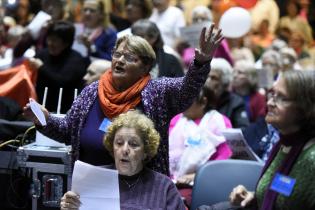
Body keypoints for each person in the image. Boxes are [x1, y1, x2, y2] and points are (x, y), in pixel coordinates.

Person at [23, 24, 223, 175]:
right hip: (90, 182)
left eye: (129, 57)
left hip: (141, 190)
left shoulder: (157, 91)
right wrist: (43, 119)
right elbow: (68, 130)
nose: (119, 60)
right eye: (117, 54)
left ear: (145, 67)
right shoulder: (92, 91)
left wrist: (201, 62)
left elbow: (187, 89)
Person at [198, 70, 315, 210]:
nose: (270, 102)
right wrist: (255, 196)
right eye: (272, 94)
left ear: (306, 106)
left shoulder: (311, 159)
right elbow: (285, 195)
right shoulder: (283, 144)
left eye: (282, 98)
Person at [60, 110, 186, 210]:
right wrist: (69, 207)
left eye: (134, 144)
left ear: (145, 151)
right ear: (112, 147)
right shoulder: (92, 178)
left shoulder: (164, 187)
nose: (125, 149)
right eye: (119, 143)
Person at [169, 85, 232, 206]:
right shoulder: (176, 120)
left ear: (203, 102)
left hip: (202, 182)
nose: (182, 103)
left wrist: (196, 176)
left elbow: (223, 158)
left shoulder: (219, 122)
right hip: (170, 178)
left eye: (188, 99)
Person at [28, 20, 89, 113]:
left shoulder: (76, 60)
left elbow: (62, 82)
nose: (50, 43)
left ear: (66, 43)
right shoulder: (42, 54)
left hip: (63, 110)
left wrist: (41, 67)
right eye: (49, 39)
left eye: (55, 40)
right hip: (39, 105)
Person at [204, 58, 249, 128]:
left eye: (214, 78)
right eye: (207, 77)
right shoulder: (201, 100)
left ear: (224, 82)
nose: (208, 81)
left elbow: (242, 128)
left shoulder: (236, 103)